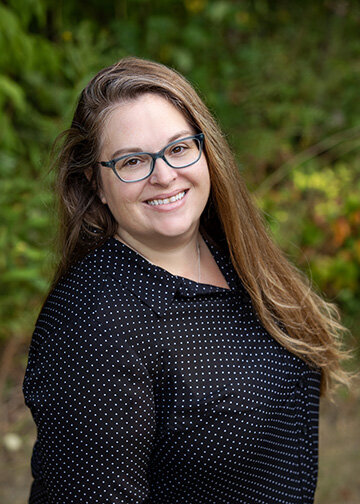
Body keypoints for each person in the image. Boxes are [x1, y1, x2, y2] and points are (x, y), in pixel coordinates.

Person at [23, 57, 349, 504]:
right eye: (132, 161)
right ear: (96, 184)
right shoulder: (95, 324)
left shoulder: (235, 257)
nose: (164, 175)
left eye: (178, 149)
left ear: (205, 150)